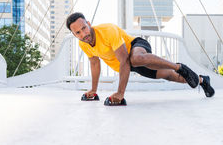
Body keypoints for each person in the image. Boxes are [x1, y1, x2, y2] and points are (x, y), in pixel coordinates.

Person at [66, 12, 215, 104]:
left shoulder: (107, 31)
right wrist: (93, 90)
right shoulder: (83, 44)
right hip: (133, 65)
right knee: (171, 76)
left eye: (84, 28)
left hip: (136, 47)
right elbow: (94, 65)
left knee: (135, 59)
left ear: (89, 24)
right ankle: (203, 80)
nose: (83, 34)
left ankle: (179, 66)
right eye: (77, 32)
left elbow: (124, 61)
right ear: (74, 35)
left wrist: (120, 93)